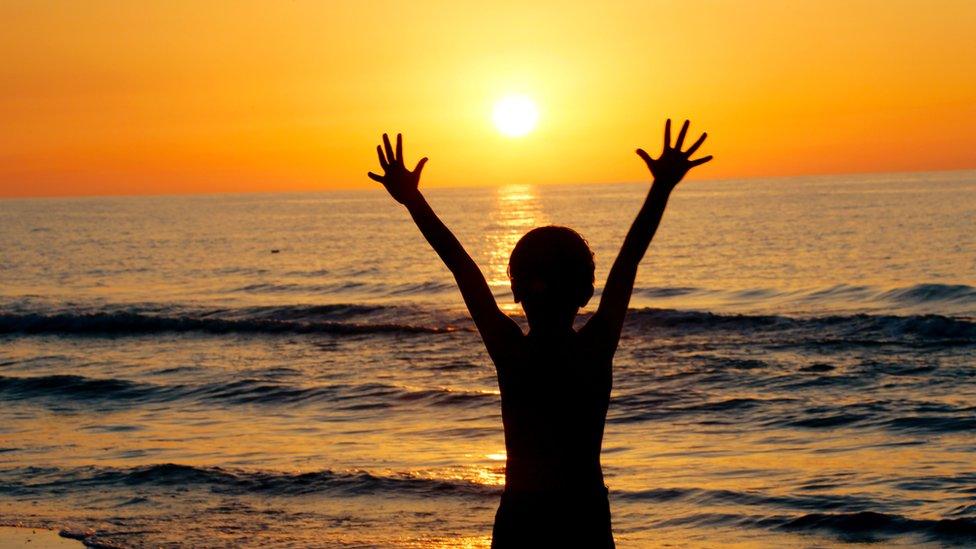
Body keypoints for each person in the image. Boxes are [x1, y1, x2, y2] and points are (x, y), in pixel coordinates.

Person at [368, 120, 711, 548]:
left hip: (523, 516)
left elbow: (462, 267)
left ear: (514, 290)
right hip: (582, 514)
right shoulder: (593, 348)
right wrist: (661, 187)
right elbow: (629, 260)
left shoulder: (512, 351)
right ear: (586, 293)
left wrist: (413, 200)